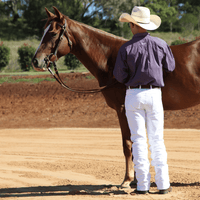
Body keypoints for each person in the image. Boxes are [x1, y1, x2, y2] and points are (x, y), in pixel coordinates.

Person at [113, 6, 175, 194]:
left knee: (138, 140)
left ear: (133, 25)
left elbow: (119, 76)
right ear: (147, 25)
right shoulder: (161, 44)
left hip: (133, 95)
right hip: (155, 94)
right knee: (157, 139)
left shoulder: (125, 48)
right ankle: (163, 184)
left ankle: (142, 186)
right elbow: (170, 67)